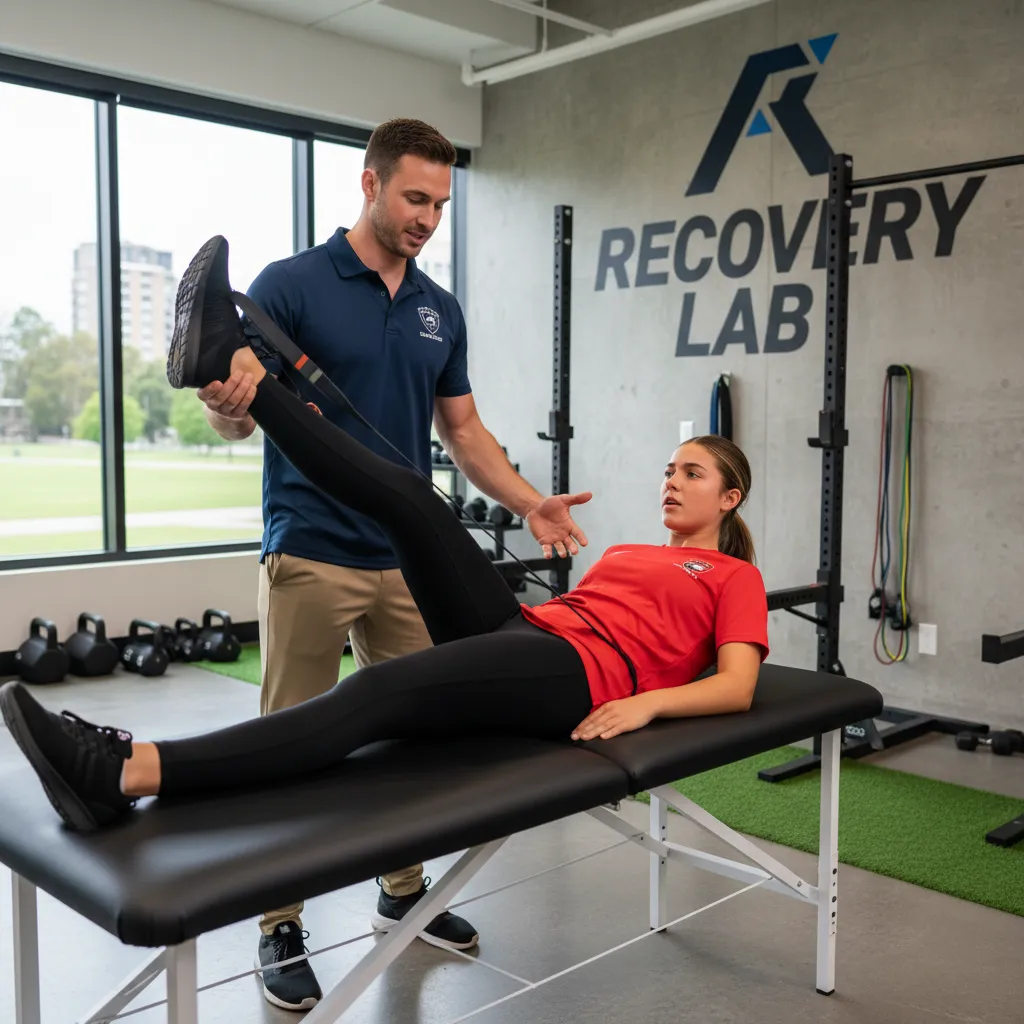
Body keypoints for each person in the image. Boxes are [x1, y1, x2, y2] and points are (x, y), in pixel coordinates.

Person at [0, 239, 768, 1007]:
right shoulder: (634, 551)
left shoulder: (735, 577)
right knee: (408, 497)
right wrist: (531, 515)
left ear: (729, 499)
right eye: (669, 468)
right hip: (532, 634)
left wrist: (647, 703)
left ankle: (125, 770)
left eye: (691, 473)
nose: (671, 481)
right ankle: (225, 361)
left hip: (576, 678)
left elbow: (735, 686)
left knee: (376, 693)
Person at [194, 119, 590, 1008]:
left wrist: (531, 501)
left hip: (406, 558)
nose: (428, 218)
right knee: (289, 743)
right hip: (311, 545)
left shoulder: (438, 309)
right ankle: (280, 922)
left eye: (442, 204)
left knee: (416, 739)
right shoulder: (289, 284)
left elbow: (464, 430)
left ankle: (401, 891)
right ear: (368, 184)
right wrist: (226, 405)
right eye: (415, 198)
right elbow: (238, 411)